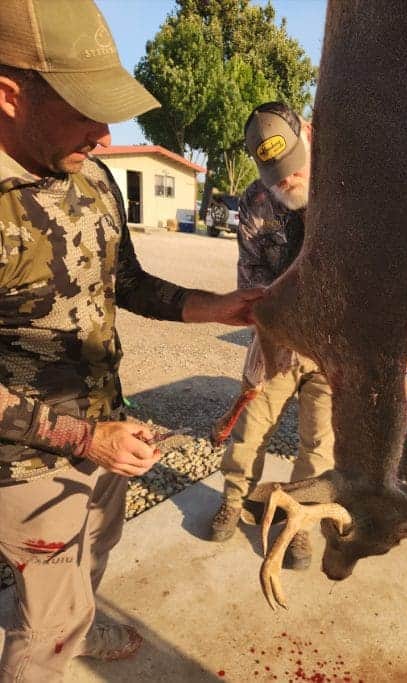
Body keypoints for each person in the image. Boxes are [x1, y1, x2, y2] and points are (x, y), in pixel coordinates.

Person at [0, 2, 264, 679]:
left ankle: (80, 622)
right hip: (28, 463)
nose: (105, 128)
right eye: (84, 107)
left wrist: (217, 305)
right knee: (46, 625)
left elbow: (130, 283)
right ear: (8, 95)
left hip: (106, 429)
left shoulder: (91, 174)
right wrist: (83, 441)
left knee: (97, 549)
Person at [207, 102, 333, 571]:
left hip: (331, 349)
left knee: (320, 445)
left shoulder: (349, 189)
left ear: (308, 133)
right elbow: (251, 278)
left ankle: (297, 523)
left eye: (292, 168)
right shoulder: (255, 202)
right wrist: (267, 339)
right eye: (274, 174)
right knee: (249, 430)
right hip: (278, 338)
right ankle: (235, 499)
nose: (286, 181)